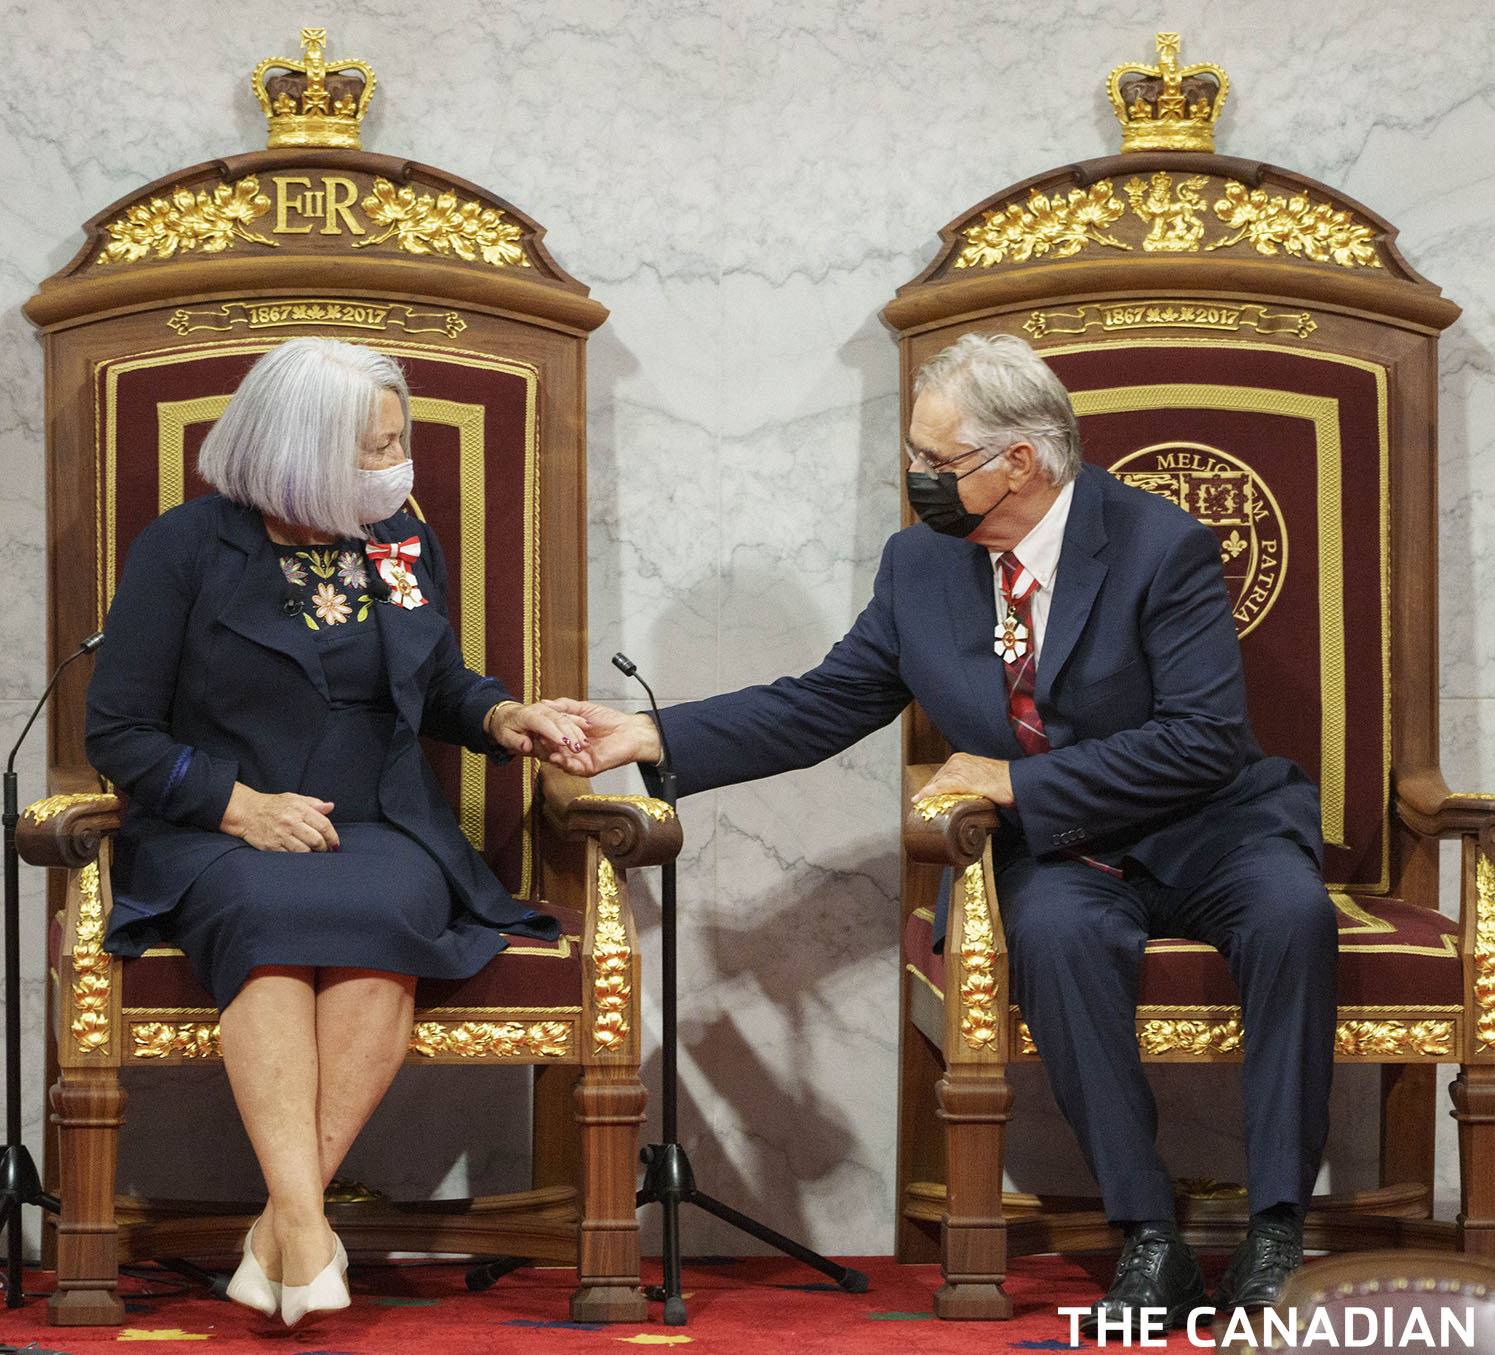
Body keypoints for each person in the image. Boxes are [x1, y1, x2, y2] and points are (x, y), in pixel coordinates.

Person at [551, 332, 1336, 1324]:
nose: (914, 479)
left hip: (1208, 829)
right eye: (911, 459)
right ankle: (1148, 1237)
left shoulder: (1154, 543)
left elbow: (1201, 740)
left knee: (1291, 914)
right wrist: (649, 731)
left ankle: (1274, 1231)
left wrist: (1010, 781)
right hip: (1062, 851)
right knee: (1053, 935)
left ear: (1019, 460)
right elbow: (824, 701)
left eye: (934, 462)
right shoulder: (921, 565)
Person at [84, 336, 588, 1326]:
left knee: (381, 914)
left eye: (396, 442)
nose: (395, 466)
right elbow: (118, 730)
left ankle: (286, 1221)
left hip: (381, 821)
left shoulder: (398, 538)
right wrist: (241, 807)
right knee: (266, 923)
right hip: (219, 829)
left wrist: (498, 716)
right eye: (374, 446)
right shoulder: (186, 548)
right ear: (298, 447)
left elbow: (436, 680)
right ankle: (308, 1226)